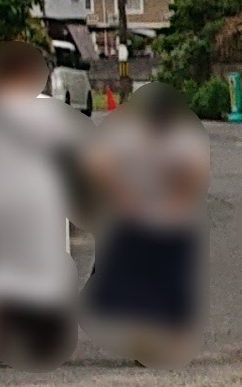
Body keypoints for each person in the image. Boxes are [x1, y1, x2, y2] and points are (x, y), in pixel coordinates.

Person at [0, 40, 79, 366]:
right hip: (40, 195)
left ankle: (3, 324)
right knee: (44, 260)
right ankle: (44, 326)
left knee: (1, 261)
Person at [79, 83, 211, 364]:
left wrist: (178, 200)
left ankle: (160, 341)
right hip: (140, 222)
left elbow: (195, 176)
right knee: (139, 283)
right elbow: (99, 167)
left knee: (165, 285)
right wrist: (123, 195)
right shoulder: (130, 136)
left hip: (168, 223)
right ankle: (148, 340)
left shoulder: (181, 138)